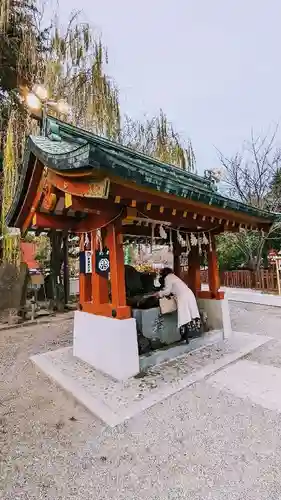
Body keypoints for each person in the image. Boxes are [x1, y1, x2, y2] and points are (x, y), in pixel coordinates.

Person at [156, 267, 202, 343]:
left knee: (184, 316)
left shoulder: (167, 278)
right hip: (189, 294)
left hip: (182, 296)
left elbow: (167, 291)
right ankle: (186, 336)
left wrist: (159, 294)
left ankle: (185, 337)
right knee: (188, 316)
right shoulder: (173, 276)